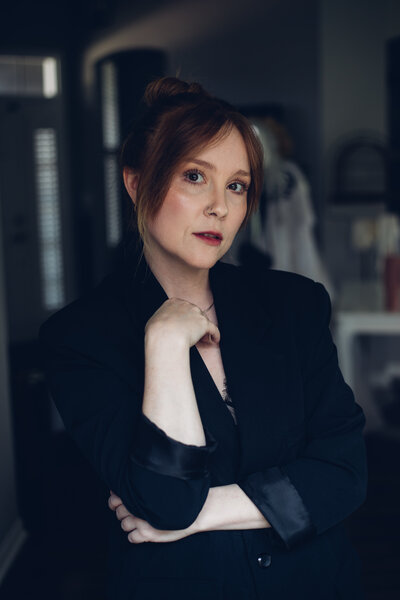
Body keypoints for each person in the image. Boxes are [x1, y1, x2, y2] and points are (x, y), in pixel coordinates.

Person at [38, 77, 368, 600]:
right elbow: (166, 499)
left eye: (237, 186)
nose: (219, 205)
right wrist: (166, 342)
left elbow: (344, 472)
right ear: (135, 182)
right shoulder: (79, 338)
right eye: (195, 176)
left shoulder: (293, 305)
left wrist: (202, 514)